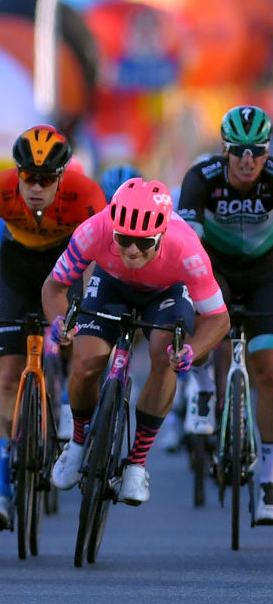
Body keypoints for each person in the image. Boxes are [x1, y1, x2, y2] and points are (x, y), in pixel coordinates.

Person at [45, 178, 229, 505]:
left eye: (144, 244)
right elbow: (54, 286)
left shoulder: (187, 247)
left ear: (162, 236)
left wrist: (192, 351)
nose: (131, 251)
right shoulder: (94, 229)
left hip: (166, 293)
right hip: (110, 286)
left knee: (164, 354)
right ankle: (76, 442)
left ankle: (137, 462)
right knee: (86, 363)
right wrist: (60, 323)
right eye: (124, 239)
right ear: (112, 227)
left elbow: (218, 318)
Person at [0, 125, 107, 532]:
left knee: (73, 343)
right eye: (28, 176)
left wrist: (84, 313)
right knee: (8, 376)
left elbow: (95, 268)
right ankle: (0, 493)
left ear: (62, 176)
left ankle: (66, 403)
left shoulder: (87, 194)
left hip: (66, 271)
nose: (36, 186)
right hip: (15, 272)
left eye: (46, 179)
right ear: (17, 172)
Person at [178, 105, 273, 522]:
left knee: (268, 369)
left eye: (257, 150)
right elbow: (186, 245)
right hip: (214, 271)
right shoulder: (202, 178)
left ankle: (269, 477)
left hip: (265, 275)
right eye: (238, 151)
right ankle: (203, 388)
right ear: (224, 150)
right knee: (205, 334)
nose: (248, 160)